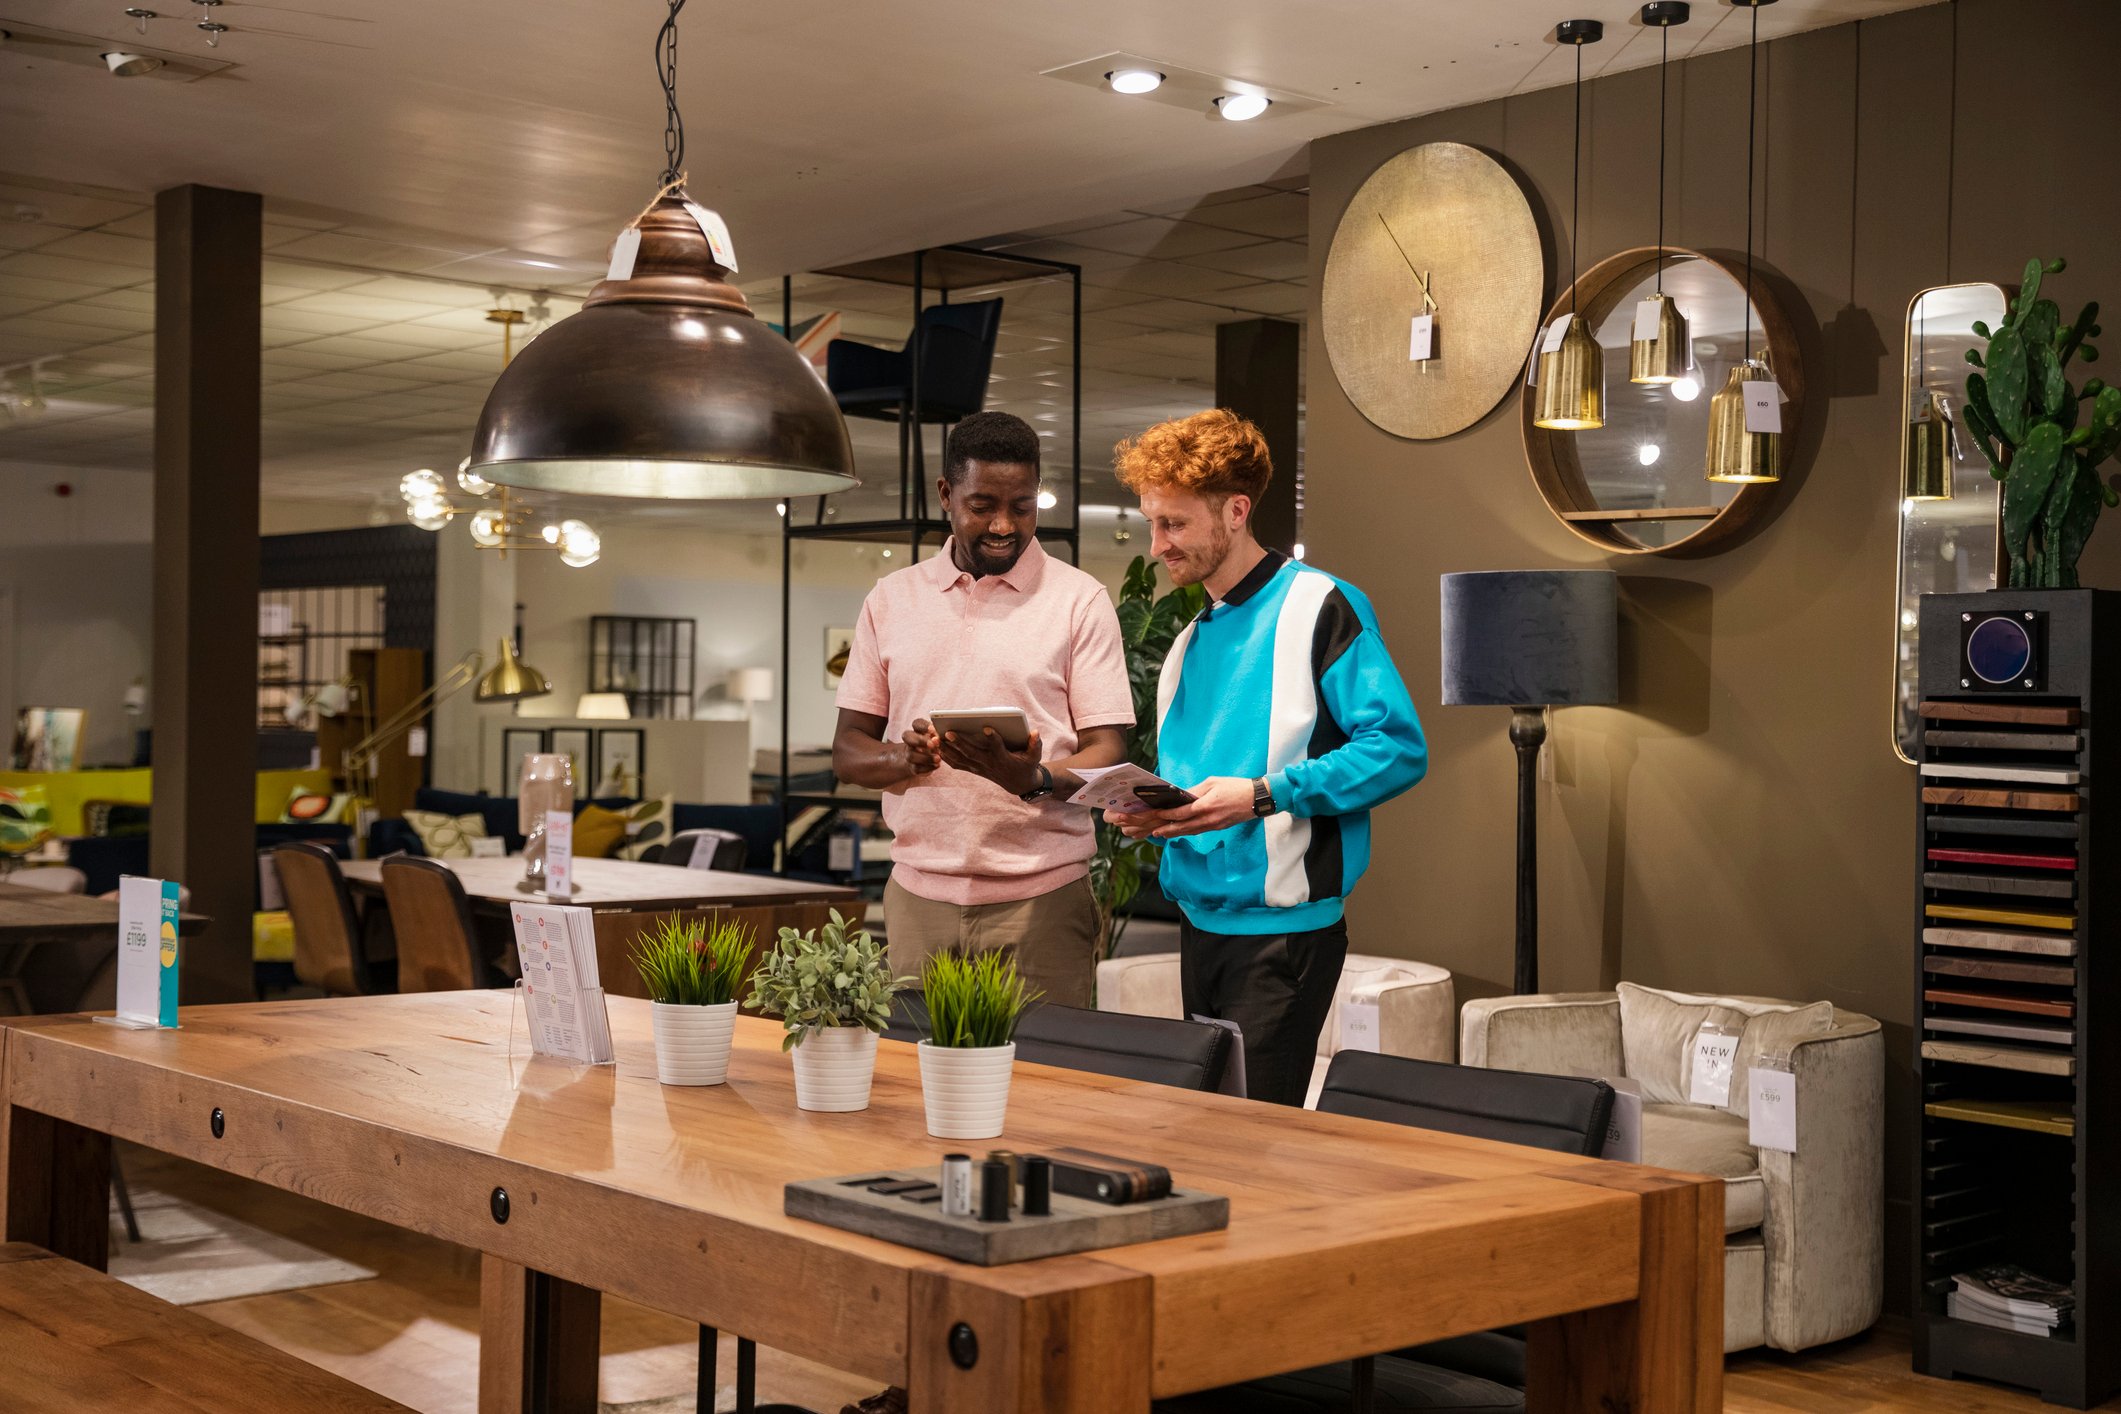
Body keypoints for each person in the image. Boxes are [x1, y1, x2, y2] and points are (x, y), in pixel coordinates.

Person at [1108, 409, 1428, 1106]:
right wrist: (1156, 815)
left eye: (1174, 524)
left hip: (1284, 940)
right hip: (1198, 927)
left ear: (1235, 510)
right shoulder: (1190, 638)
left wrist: (1261, 794)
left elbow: (1398, 750)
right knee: (1210, 1133)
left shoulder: (1322, 605)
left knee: (1252, 1142)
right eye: (1151, 523)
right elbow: (1196, 786)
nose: (1157, 544)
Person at [831, 410, 1133, 1007]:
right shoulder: (891, 600)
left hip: (1042, 902)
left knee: (1048, 1092)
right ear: (946, 494)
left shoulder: (1079, 601)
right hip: (918, 899)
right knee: (917, 1090)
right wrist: (905, 758)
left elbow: (1110, 751)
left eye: (1022, 506)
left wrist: (1035, 778)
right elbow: (848, 750)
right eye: (983, 505)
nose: (1003, 525)